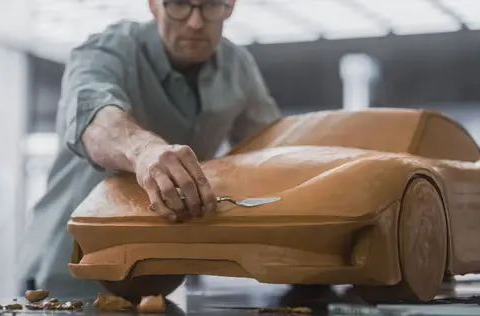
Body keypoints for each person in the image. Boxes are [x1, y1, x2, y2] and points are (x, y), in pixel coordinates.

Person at [15, 0, 281, 297]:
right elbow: (95, 120)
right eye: (180, 4)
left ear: (229, 6)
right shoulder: (107, 50)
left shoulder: (238, 66)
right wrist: (143, 151)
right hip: (66, 267)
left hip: (157, 280)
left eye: (211, 5)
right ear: (154, 5)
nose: (195, 22)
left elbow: (270, 148)